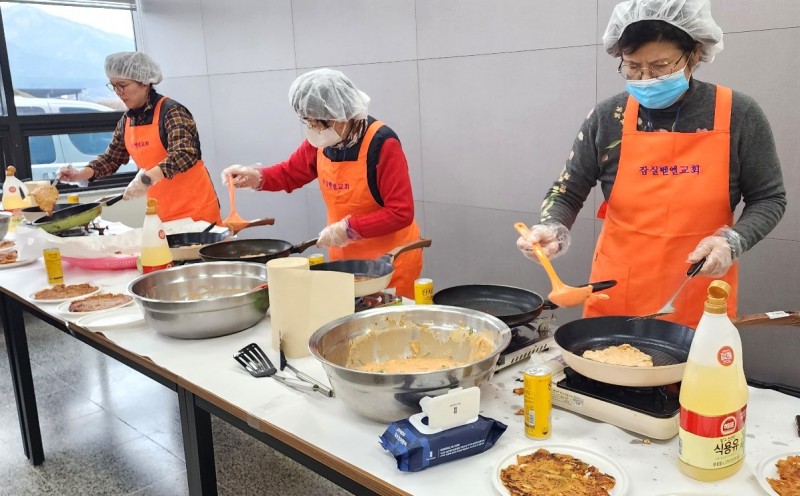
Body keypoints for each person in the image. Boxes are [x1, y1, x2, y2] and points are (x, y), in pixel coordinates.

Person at [516, 0, 786, 328]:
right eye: (632, 66)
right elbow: (567, 191)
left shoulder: (738, 114)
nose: (646, 79)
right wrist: (552, 226)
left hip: (699, 287)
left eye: (660, 65)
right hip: (618, 289)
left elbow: (769, 198)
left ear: (695, 53)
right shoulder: (608, 117)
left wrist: (732, 241)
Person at [222, 69, 422, 298]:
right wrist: (257, 177)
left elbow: (401, 212)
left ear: (341, 115)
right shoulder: (323, 140)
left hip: (391, 261)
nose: (314, 129)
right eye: (308, 122)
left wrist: (349, 229)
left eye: (318, 123)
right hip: (346, 261)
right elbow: (290, 173)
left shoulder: (382, 144)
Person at [57, 51, 221, 225]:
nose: (118, 92)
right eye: (113, 86)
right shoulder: (126, 121)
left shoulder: (171, 112)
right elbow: (111, 159)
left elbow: (185, 154)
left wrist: (147, 179)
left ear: (144, 82)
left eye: (123, 85)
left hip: (196, 212)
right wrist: (80, 174)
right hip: (160, 212)